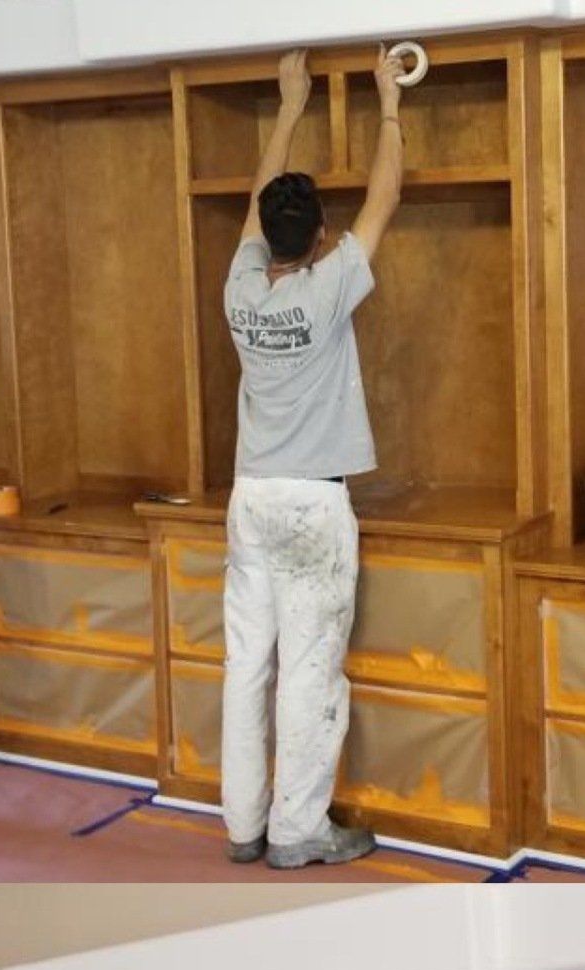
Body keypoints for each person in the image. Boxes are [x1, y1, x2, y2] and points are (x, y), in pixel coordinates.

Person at [220, 47, 406, 868]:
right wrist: (388, 102)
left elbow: (257, 213)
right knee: (309, 674)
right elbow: (386, 198)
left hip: (251, 497)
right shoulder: (328, 287)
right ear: (322, 236)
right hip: (310, 508)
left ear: (262, 232)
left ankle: (241, 827)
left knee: (244, 668)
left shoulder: (239, 284)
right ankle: (298, 832)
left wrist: (290, 105)